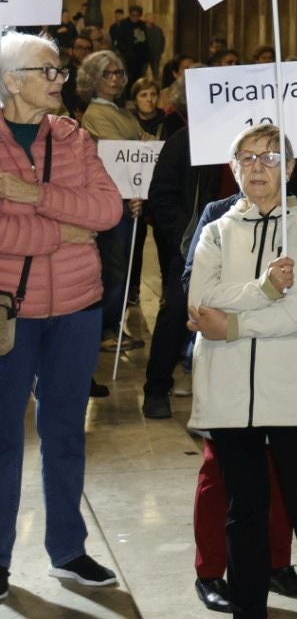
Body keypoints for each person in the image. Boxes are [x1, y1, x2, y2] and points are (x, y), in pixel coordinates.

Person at [186, 124, 297, 619]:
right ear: (232, 166)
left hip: (296, 393)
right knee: (244, 514)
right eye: (247, 157)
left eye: (270, 157)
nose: (258, 167)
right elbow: (198, 300)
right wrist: (262, 290)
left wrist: (232, 323)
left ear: (291, 166)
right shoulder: (216, 230)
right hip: (229, 393)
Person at [0, 32, 124, 598]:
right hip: (11, 310)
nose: (58, 81)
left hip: (76, 307)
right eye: (46, 71)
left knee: (65, 432)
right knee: (4, 437)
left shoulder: (73, 137)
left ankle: (68, 550)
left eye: (60, 73)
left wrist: (30, 197)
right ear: (10, 80)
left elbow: (107, 209)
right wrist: (62, 232)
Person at [76, 49, 144, 350]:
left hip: (129, 196)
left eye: (118, 73)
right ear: (93, 79)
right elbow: (122, 154)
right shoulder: (97, 113)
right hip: (113, 199)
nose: (115, 79)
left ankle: (113, 325)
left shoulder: (121, 111)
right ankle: (105, 329)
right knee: (114, 266)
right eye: (107, 73)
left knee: (124, 264)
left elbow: (143, 147)